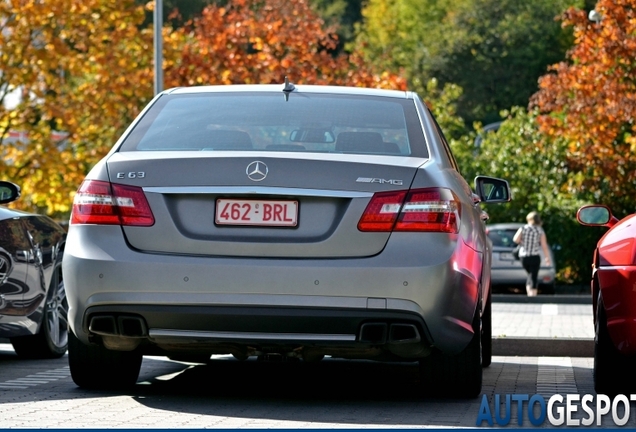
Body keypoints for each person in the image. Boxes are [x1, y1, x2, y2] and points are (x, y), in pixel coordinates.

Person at [513, 211, 552, 297]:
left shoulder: (523, 228)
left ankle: (529, 293)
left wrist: (522, 241)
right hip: (534, 256)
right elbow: (544, 245)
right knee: (533, 275)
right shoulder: (540, 230)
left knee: (530, 275)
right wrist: (547, 258)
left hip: (523, 256)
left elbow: (515, 239)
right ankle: (533, 294)